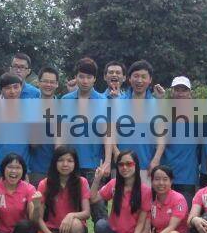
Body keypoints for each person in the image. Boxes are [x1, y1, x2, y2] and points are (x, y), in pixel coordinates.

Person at [61, 57, 112, 222]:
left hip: (93, 165)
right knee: (70, 207)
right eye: (81, 76)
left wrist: (108, 161)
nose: (84, 81)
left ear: (95, 79)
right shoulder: (66, 101)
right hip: (69, 163)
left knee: (98, 209)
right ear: (76, 77)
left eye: (89, 77)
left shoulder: (103, 102)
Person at [90, 150, 152, 233]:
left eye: (129, 164)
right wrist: (97, 179)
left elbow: (142, 223)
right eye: (121, 164)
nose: (124, 167)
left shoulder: (145, 190)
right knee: (101, 224)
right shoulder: (114, 184)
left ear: (136, 165)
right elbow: (93, 199)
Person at [34, 146, 91, 233]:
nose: (65, 164)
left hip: (75, 229)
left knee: (76, 223)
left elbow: (87, 213)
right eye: (61, 160)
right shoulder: (45, 183)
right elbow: (39, 218)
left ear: (75, 163)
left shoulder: (82, 182)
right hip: (53, 230)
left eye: (70, 161)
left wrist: (71, 215)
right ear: (54, 163)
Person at [130, 165, 189, 233]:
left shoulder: (178, 199)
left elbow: (172, 227)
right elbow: (147, 226)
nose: (161, 183)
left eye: (165, 179)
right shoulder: (151, 200)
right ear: (152, 182)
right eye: (157, 179)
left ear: (171, 181)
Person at [120, 60, 165, 180]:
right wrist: (116, 154)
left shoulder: (157, 105)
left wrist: (156, 160)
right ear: (129, 79)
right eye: (136, 76)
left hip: (146, 166)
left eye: (144, 77)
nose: (139, 80)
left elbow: (161, 138)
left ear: (150, 80)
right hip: (121, 166)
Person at [160, 76, 199, 207]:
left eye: (184, 90)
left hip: (187, 176)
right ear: (172, 92)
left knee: (184, 215)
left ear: (190, 93)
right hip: (165, 174)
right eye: (177, 89)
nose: (180, 93)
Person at [0, 72, 31, 183]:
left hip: (22, 170)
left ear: (22, 87)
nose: (12, 91)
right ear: (1, 90)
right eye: (7, 88)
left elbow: (34, 144)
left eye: (16, 87)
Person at [28, 66, 60, 185]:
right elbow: (33, 143)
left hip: (57, 168)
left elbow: (60, 143)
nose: (48, 85)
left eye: (52, 82)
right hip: (34, 169)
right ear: (38, 83)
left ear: (57, 84)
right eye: (45, 81)